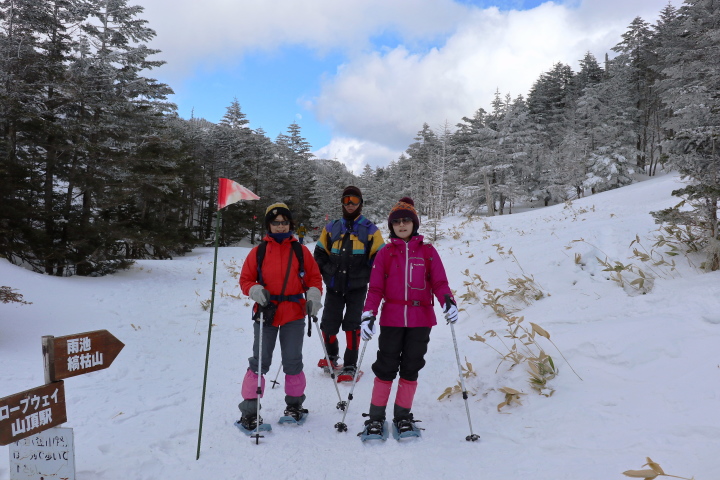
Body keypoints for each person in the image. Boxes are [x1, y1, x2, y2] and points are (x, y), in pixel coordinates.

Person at [359, 197, 459, 438]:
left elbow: (439, 282)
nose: (402, 225)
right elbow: (375, 289)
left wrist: (448, 300)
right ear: (391, 226)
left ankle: (403, 417)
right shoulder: (385, 253)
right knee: (386, 366)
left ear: (414, 223)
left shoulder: (427, 251)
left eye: (406, 220)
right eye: (396, 222)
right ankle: (375, 418)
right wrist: (368, 312)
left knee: (411, 366)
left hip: (420, 319)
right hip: (392, 318)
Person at [237, 202, 323, 430]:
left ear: (290, 224)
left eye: (284, 222)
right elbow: (245, 280)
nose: (280, 226)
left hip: (294, 314)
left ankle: (295, 406)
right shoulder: (259, 252)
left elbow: (314, 279)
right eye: (276, 223)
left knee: (293, 362)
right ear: (269, 225)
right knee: (259, 362)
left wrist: (313, 296)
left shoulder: (300, 251)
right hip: (266, 313)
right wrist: (255, 290)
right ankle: (249, 411)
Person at [313, 186, 385, 381]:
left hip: (357, 288)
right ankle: (331, 356)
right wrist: (327, 270)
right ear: (342, 203)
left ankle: (351, 364)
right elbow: (319, 253)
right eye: (346, 200)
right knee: (328, 325)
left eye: (354, 200)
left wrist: (364, 274)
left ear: (361, 203)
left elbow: (380, 258)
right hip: (334, 286)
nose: (350, 204)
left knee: (352, 326)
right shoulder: (332, 228)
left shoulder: (370, 230)